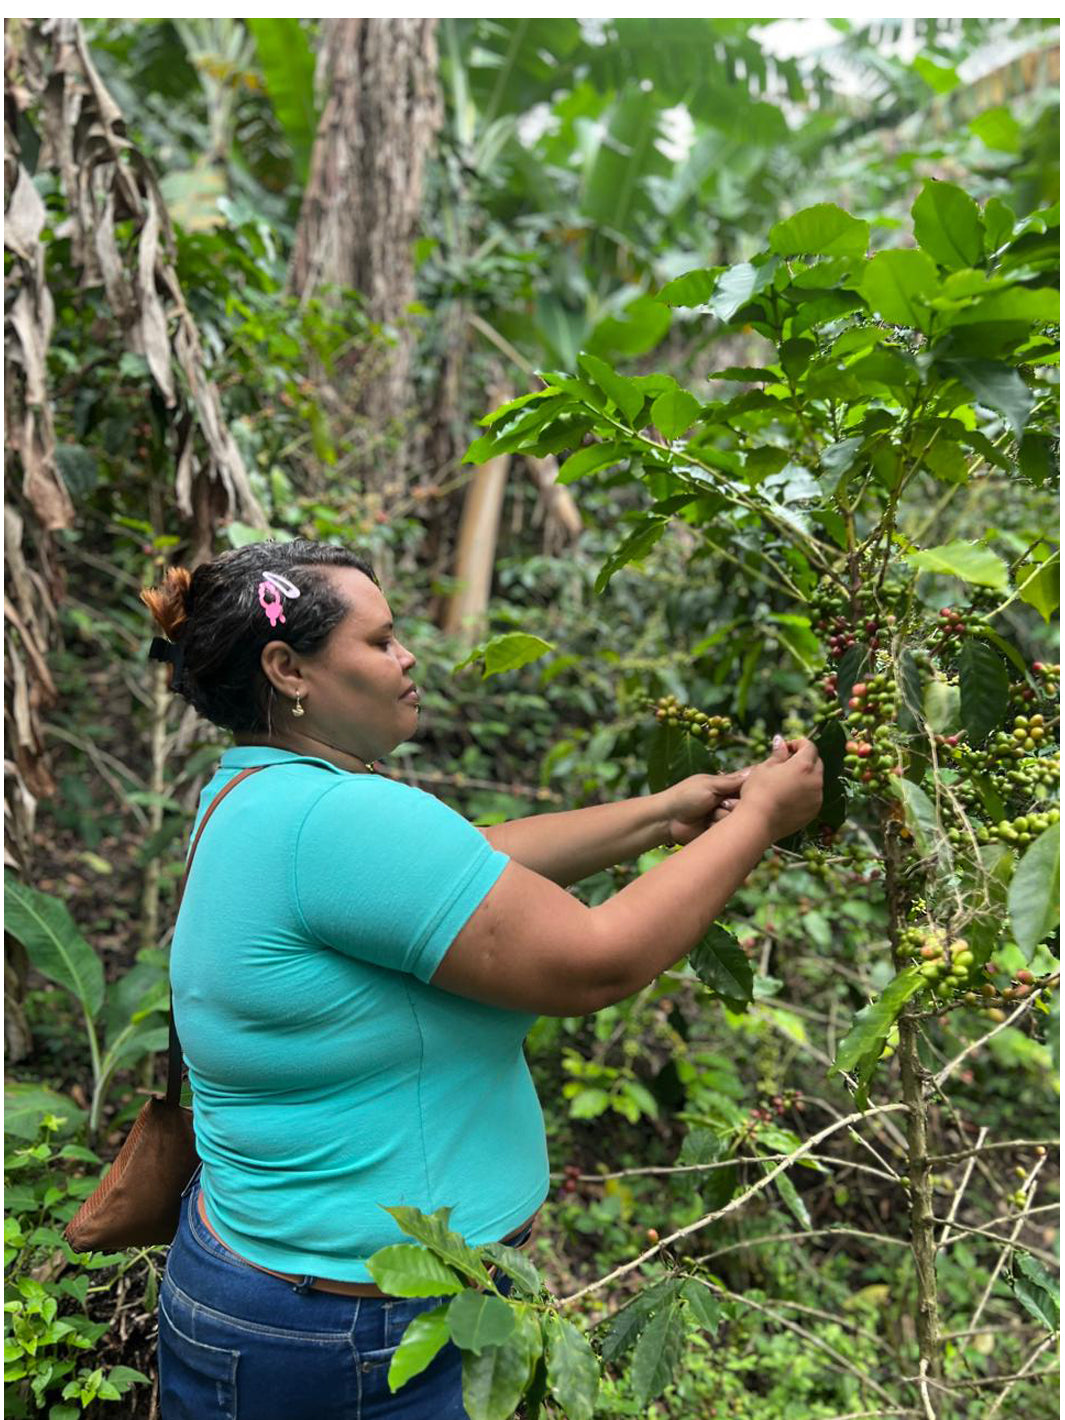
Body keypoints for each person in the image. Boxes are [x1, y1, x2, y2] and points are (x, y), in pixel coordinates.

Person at [142, 538, 822, 1419]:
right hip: (355, 1337)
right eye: (379, 641)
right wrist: (762, 818)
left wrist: (661, 814)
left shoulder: (256, 790)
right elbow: (596, 962)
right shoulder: (337, 817)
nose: (407, 655)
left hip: (264, 1293)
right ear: (288, 669)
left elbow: (466, 871)